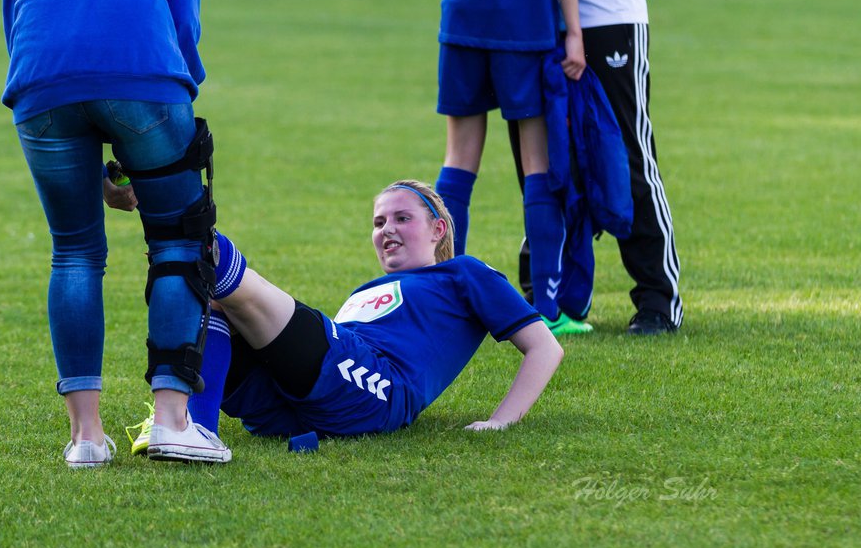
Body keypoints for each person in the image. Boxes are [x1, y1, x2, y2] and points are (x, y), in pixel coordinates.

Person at [2, 0, 230, 468]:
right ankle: (172, 421)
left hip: (41, 90)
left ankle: (85, 440)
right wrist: (172, 101)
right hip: (143, 82)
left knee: (74, 250)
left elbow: (17, 20)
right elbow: (181, 15)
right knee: (180, 239)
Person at [119, 180, 563, 448]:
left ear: (439, 229)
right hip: (299, 405)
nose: (387, 228)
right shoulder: (365, 290)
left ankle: (165, 198)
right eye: (378, 222)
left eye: (401, 218)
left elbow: (545, 347)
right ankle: (195, 428)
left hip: (378, 389)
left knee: (203, 261)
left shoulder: (462, 273)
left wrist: (501, 421)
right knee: (200, 291)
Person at [515, 0, 683, 335]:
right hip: (542, 10)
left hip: (610, 7)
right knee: (542, 163)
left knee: (628, 156)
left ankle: (657, 299)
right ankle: (547, 290)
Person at [431, 0, 591, 338]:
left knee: (459, 161)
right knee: (536, 160)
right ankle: (546, 307)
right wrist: (574, 31)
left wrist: (461, 12)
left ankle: (443, 295)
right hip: (525, 22)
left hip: (462, 17)